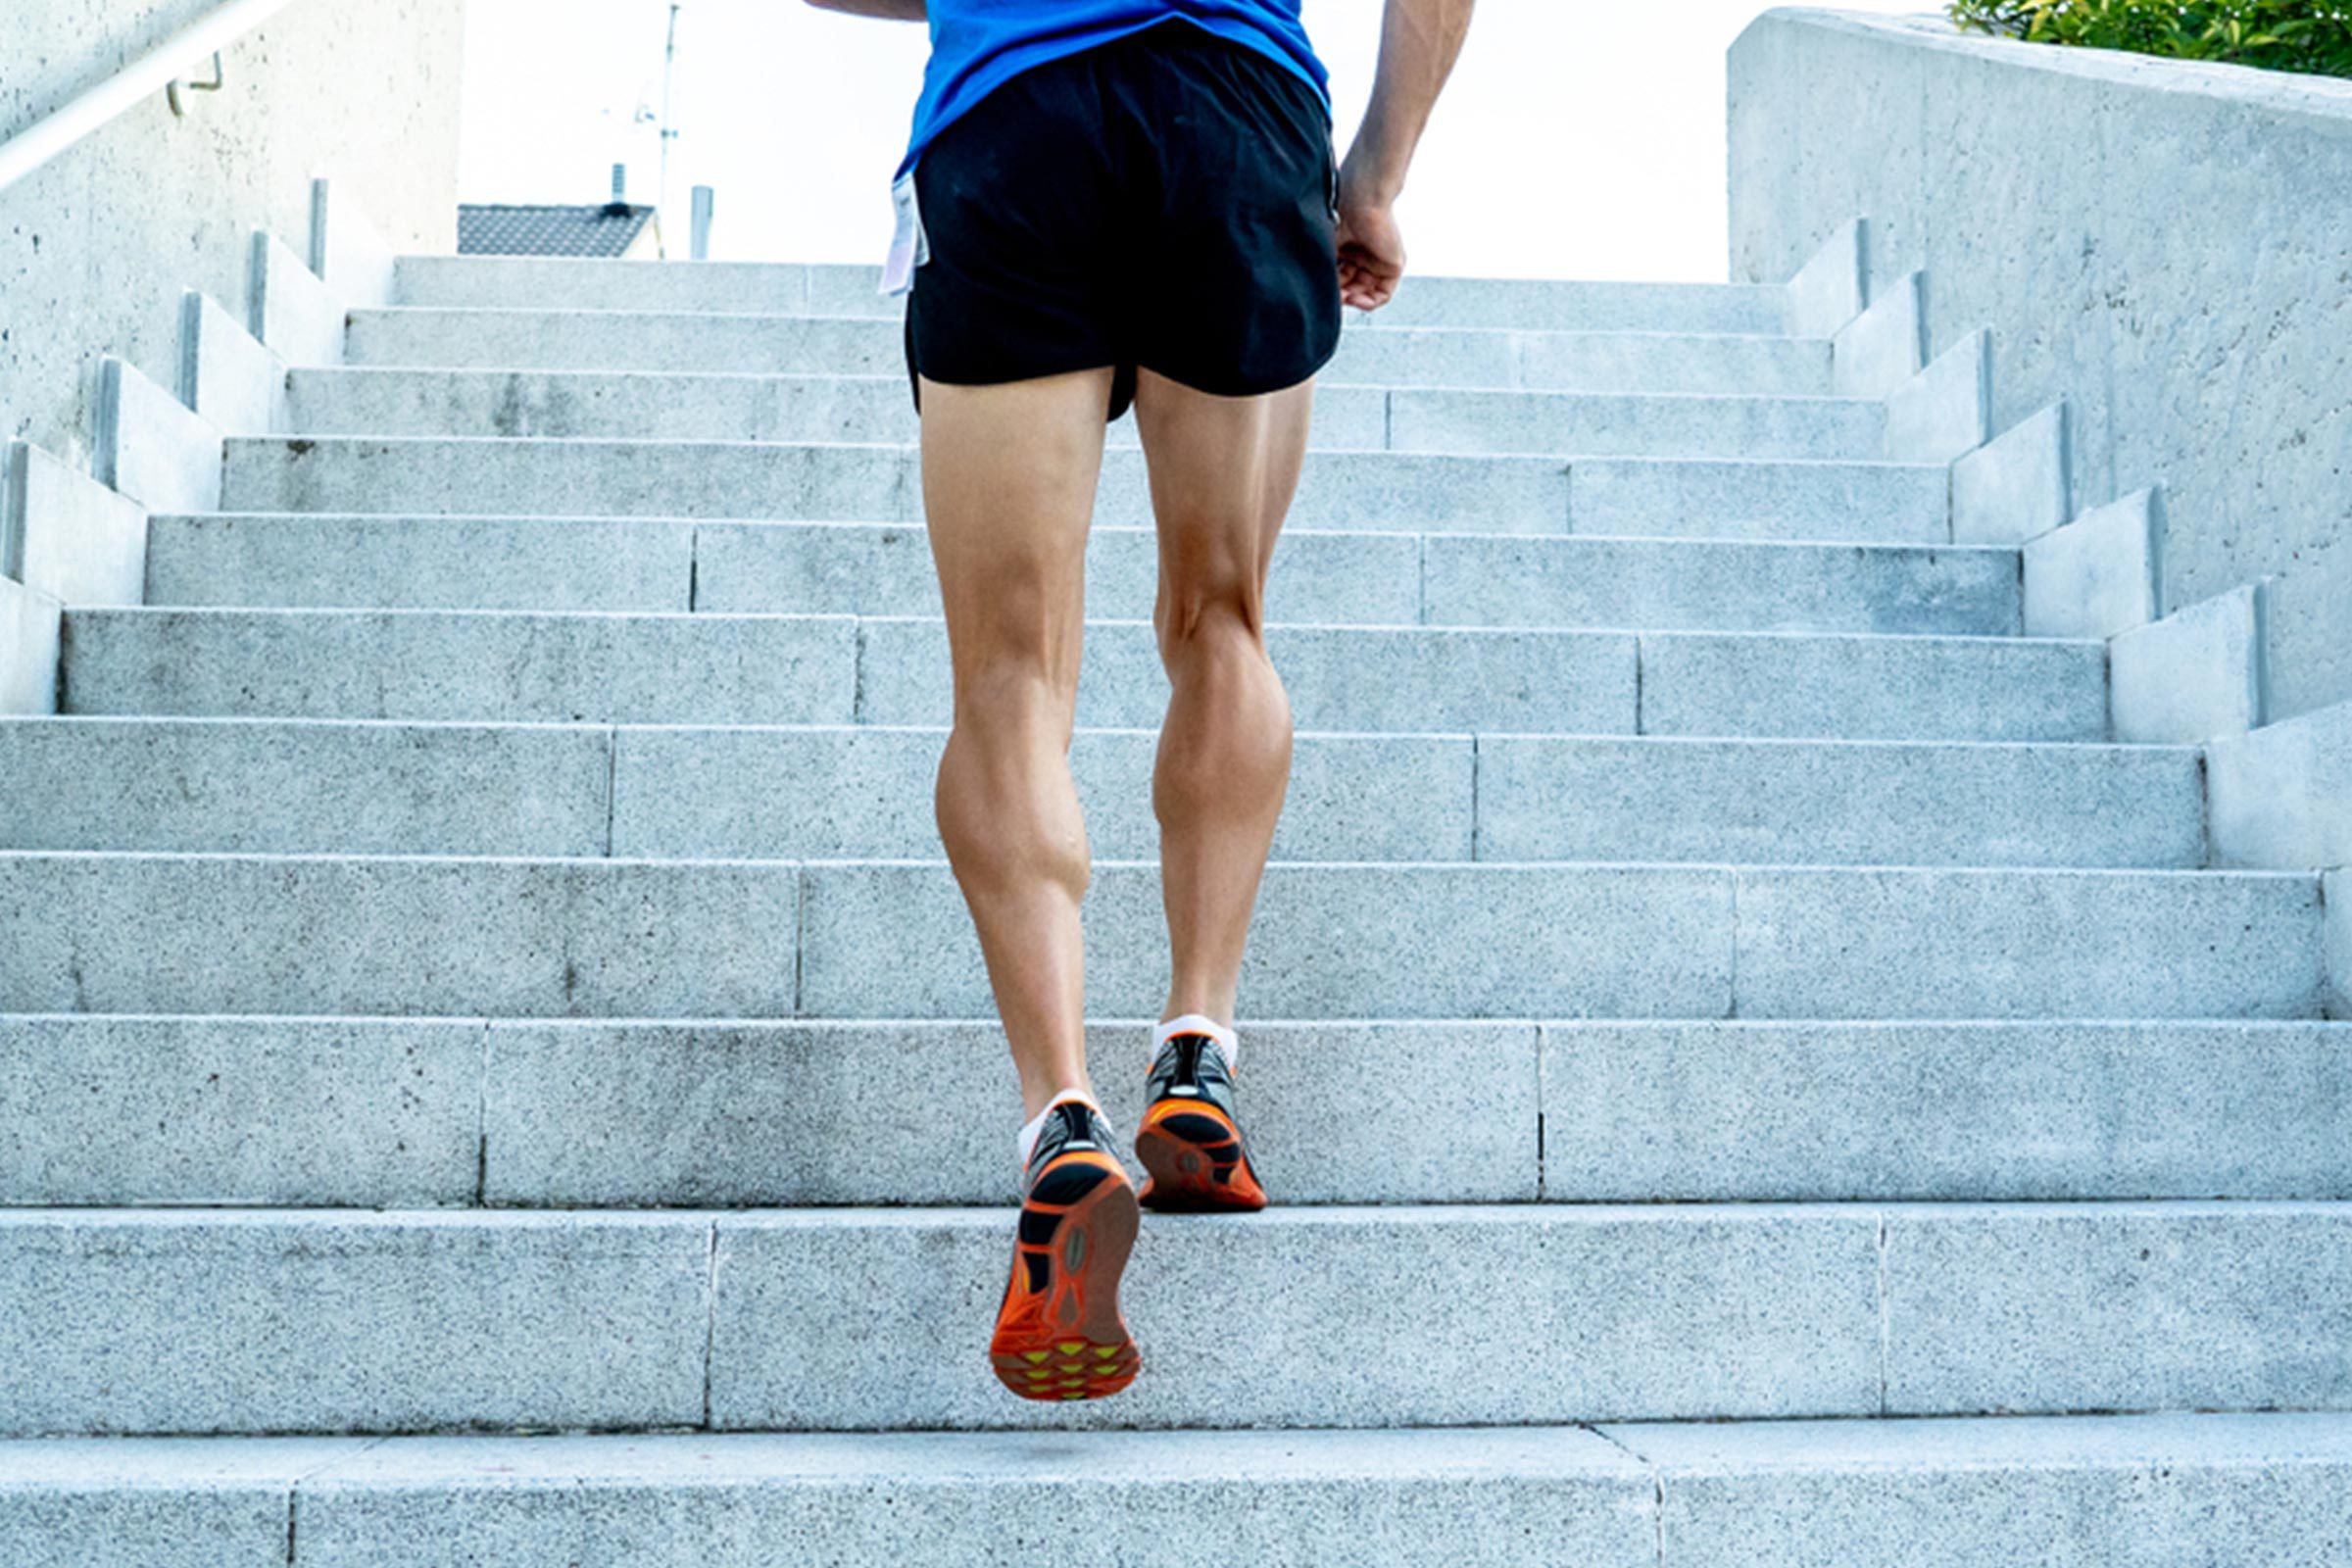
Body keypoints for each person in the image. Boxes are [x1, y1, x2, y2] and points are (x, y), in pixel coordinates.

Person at [806, 0, 1475, 1401]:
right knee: (1221, 618)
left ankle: (1063, 1117)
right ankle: (1196, 1050)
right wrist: (1376, 176)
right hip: (1236, 112)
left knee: (1008, 674)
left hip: (1015, 120)